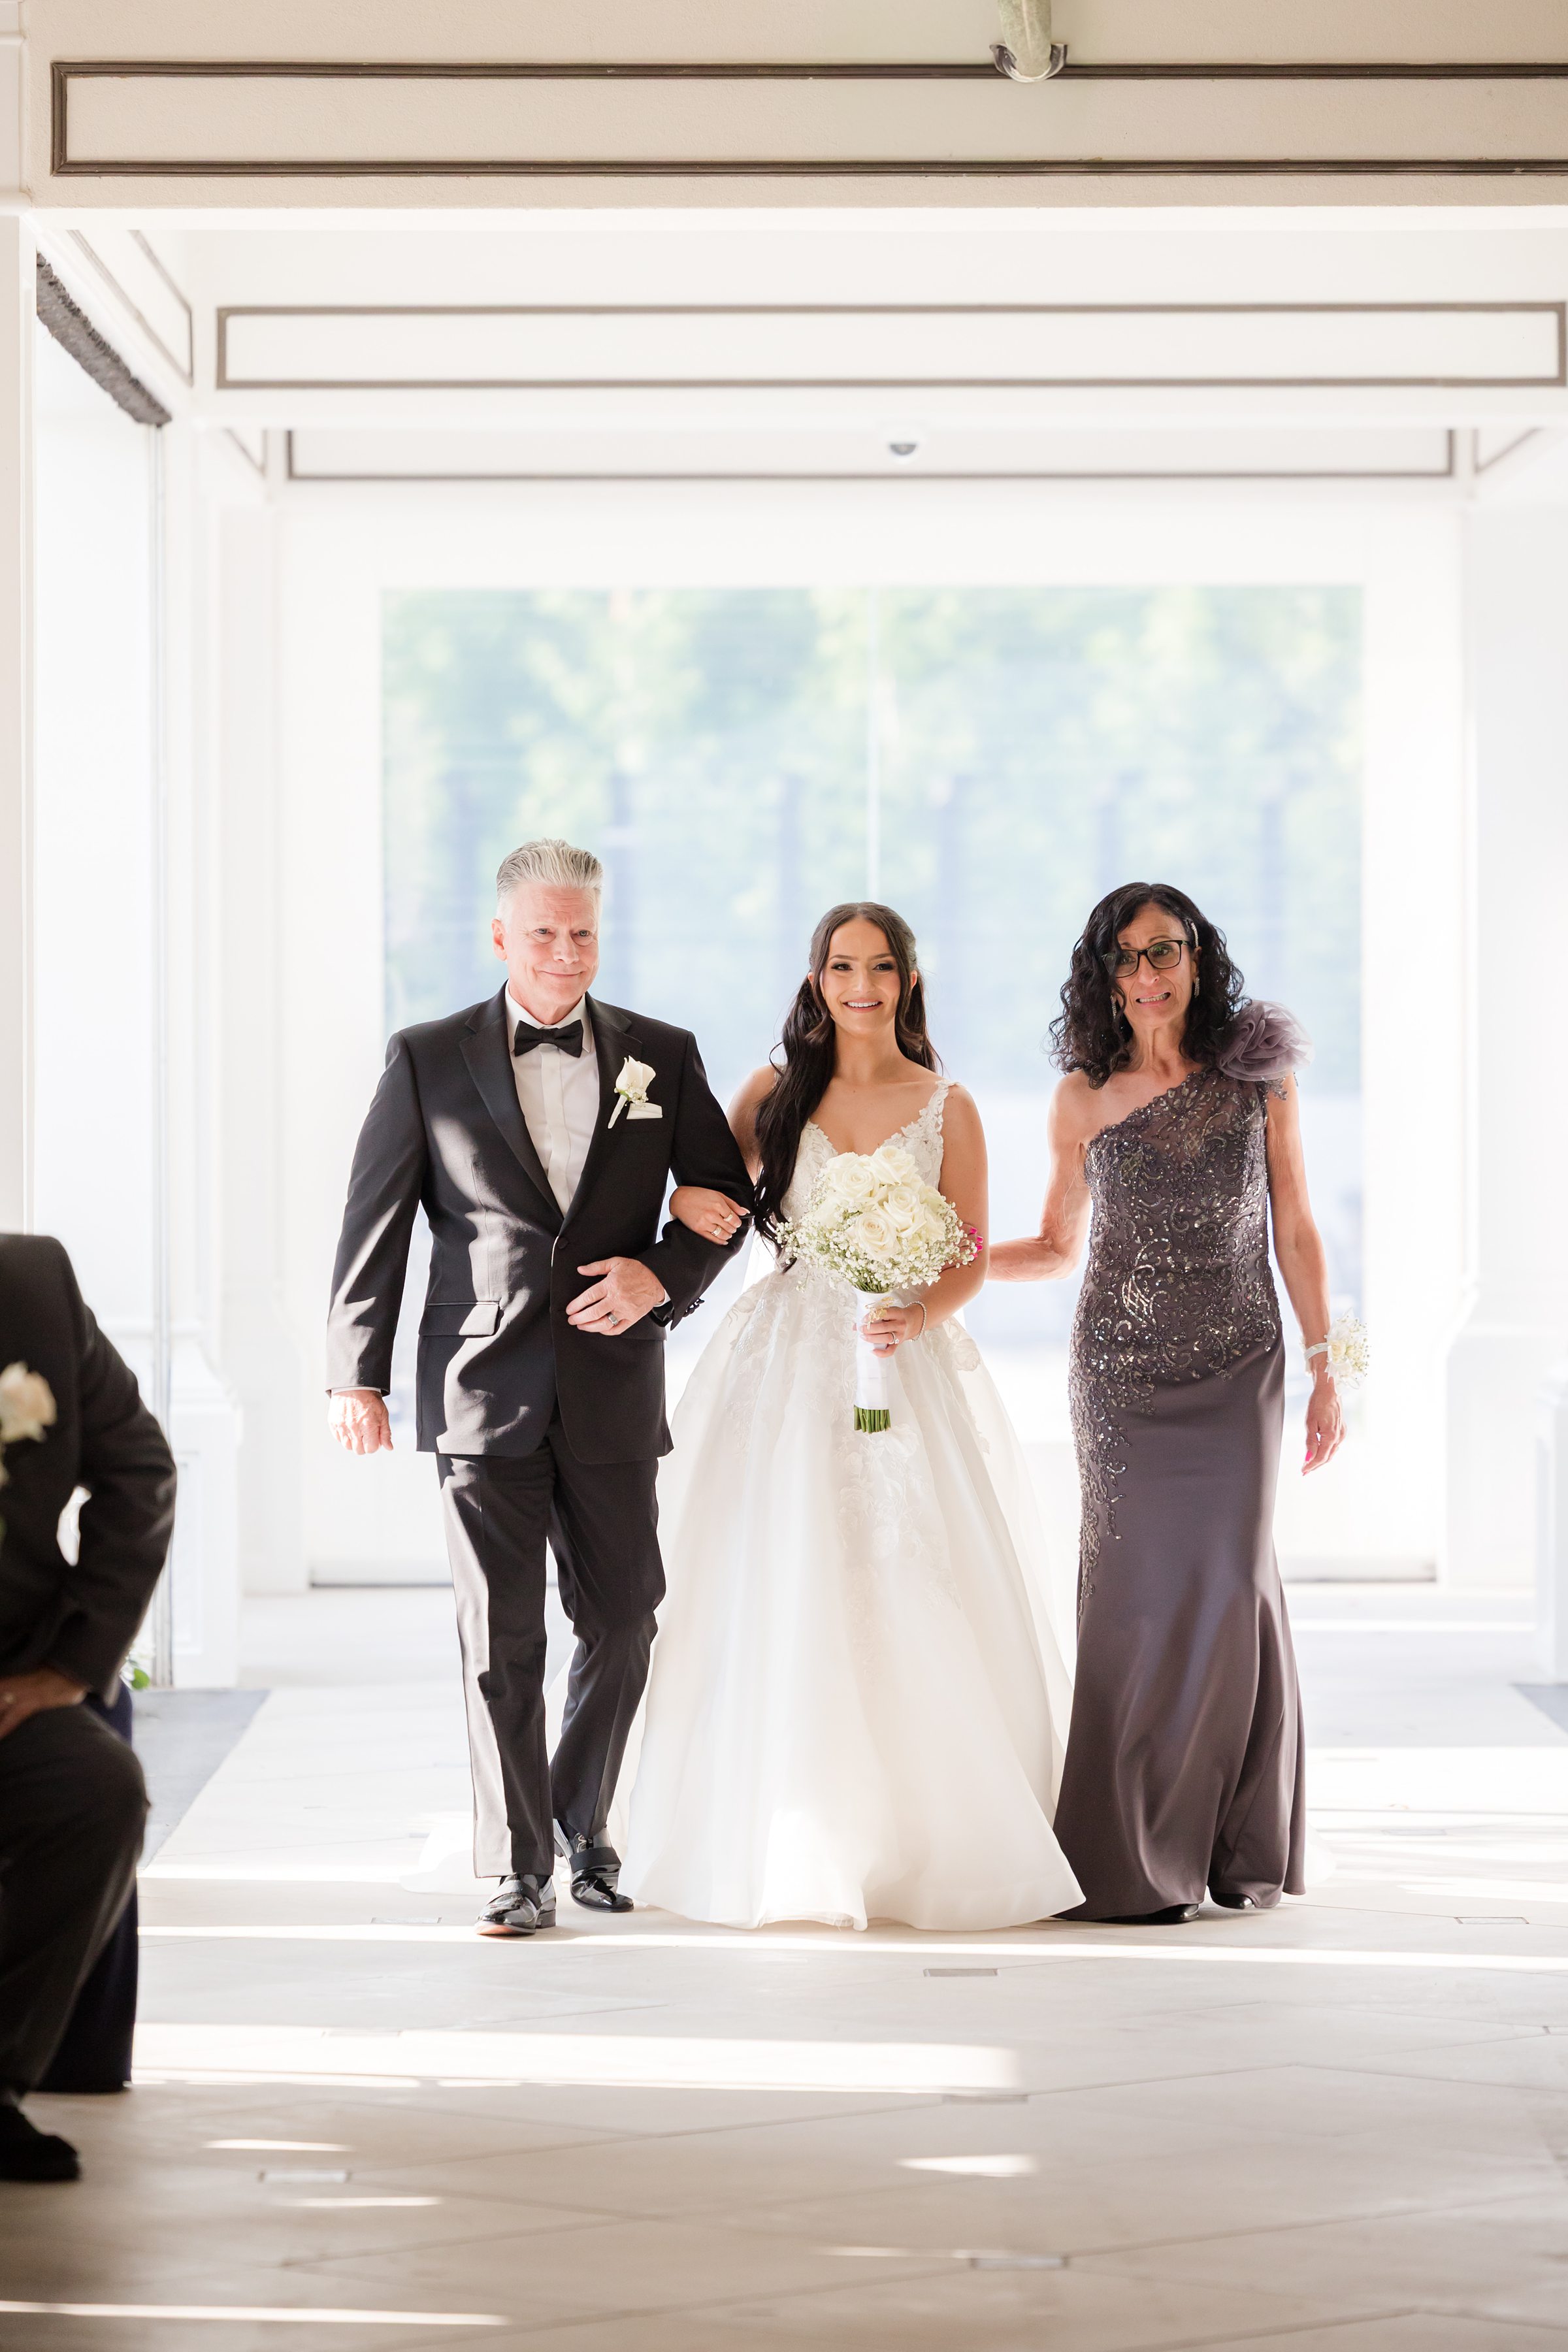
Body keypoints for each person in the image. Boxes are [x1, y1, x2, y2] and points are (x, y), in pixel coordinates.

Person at [619, 903, 1081, 1931]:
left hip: (899, 1353)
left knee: (904, 1566)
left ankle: (923, 1835)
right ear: (817, 978)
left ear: (909, 980)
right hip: (783, 1355)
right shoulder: (773, 1091)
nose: (860, 984)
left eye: (879, 967)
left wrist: (916, 1308)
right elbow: (709, 1198)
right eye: (841, 966)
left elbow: (965, 1253)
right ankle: (781, 1823)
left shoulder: (947, 1105)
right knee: (778, 1564)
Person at [327, 839, 752, 1938]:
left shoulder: (664, 1052)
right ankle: (523, 1865)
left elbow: (721, 1197)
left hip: (614, 1385)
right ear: (503, 937)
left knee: (625, 1618)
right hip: (478, 1387)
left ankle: (577, 1813)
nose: (567, 953)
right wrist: (354, 1374)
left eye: (585, 933)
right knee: (499, 1636)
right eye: (546, 933)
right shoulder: (426, 1058)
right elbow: (373, 1223)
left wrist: (664, 1274)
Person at [990, 883, 1342, 1923]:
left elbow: (1299, 1229)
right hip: (1120, 1379)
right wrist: (941, 1269)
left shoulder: (1259, 1079)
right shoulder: (1081, 1096)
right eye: (1127, 960)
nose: (1148, 977)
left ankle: (1230, 1844)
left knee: (1231, 1589)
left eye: (1165, 953)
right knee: (1136, 1603)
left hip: (1241, 1370)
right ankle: (1134, 1856)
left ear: (1197, 958)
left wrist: (1333, 1365)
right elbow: (1056, 1248)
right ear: (1104, 975)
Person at [0, 1233, 175, 2180]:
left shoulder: (32, 1285)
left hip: (12, 1676)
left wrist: (71, 1667)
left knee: (97, 1788)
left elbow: (139, 1470)